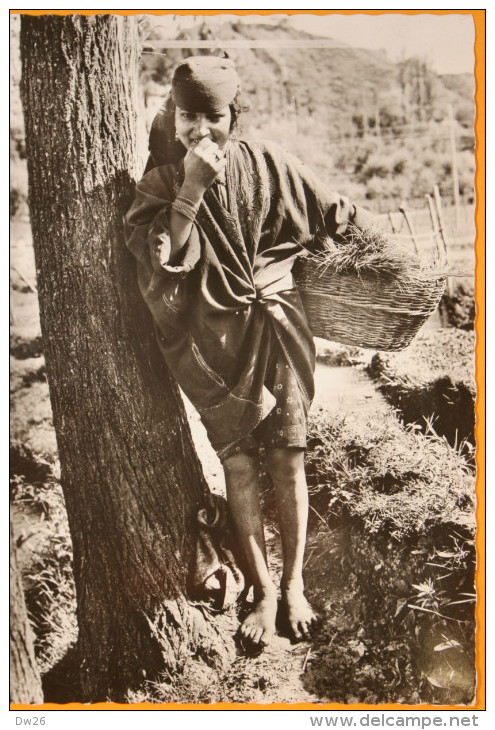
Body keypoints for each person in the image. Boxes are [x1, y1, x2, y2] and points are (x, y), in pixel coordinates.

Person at [125, 55, 373, 648]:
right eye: (189, 116)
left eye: (213, 116)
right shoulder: (161, 178)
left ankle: (294, 584)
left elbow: (333, 212)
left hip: (278, 328)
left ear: (232, 115)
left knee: (288, 460)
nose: (200, 130)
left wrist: (383, 255)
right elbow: (160, 257)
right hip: (212, 344)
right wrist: (191, 187)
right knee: (238, 464)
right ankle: (260, 590)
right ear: (174, 114)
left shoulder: (269, 164)